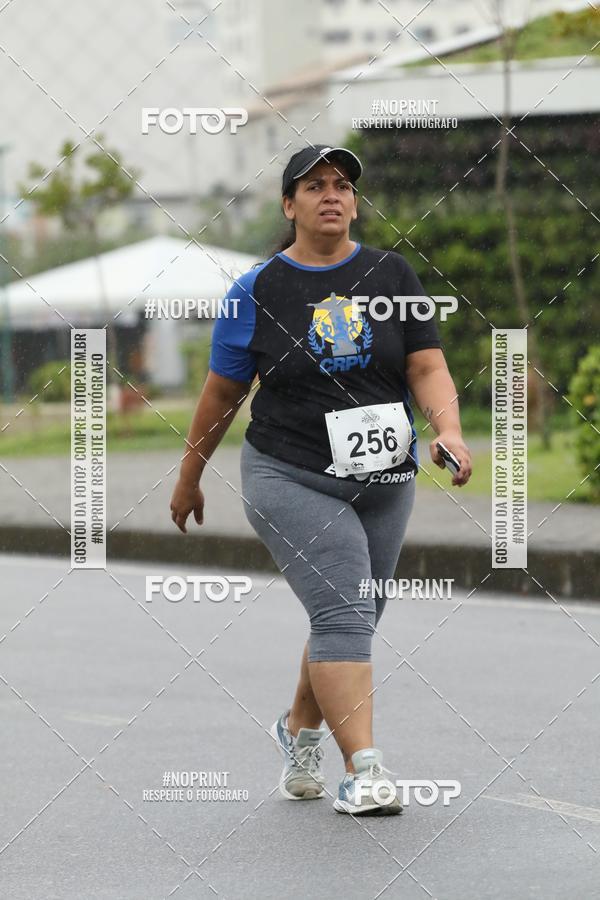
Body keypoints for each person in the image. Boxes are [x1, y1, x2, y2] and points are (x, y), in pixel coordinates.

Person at [170, 143, 472, 816]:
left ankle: (299, 732)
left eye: (341, 186)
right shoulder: (258, 290)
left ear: (354, 202)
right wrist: (190, 477)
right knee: (343, 610)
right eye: (314, 187)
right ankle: (364, 770)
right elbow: (222, 395)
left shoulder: (392, 275)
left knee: (353, 614)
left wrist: (447, 430)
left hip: (386, 478)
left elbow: (426, 366)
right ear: (290, 205)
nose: (331, 195)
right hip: (290, 473)